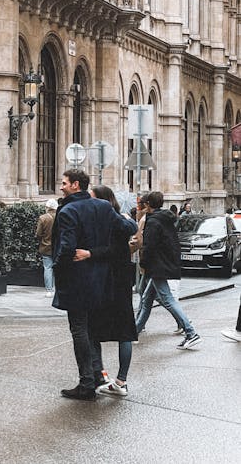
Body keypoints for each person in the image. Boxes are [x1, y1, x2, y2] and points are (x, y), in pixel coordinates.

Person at [52, 169, 137, 402]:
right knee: (91, 330)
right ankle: (97, 377)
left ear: (75, 185)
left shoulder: (68, 210)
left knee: (79, 330)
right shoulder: (103, 206)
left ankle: (86, 383)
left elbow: (66, 247)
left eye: (64, 183)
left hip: (77, 280)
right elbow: (129, 229)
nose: (61, 187)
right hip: (101, 280)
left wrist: (57, 269)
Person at [74, 185, 137, 397]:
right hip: (118, 282)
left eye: (93, 199)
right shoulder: (121, 220)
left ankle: (109, 377)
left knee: (95, 329)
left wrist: (89, 253)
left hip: (109, 283)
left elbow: (113, 251)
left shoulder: (111, 223)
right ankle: (114, 379)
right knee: (120, 331)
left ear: (102, 201)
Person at [135, 191, 201, 349]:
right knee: (146, 299)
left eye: (143, 204)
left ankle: (191, 332)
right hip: (162, 264)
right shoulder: (165, 218)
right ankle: (134, 331)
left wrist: (143, 263)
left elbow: (149, 246)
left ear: (148, 204)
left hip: (158, 265)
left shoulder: (154, 221)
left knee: (167, 299)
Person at [36, 198, 58, 296]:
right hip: (58, 246)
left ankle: (49, 290)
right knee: (58, 268)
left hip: (46, 246)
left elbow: (38, 233)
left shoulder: (43, 218)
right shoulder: (61, 216)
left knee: (48, 268)